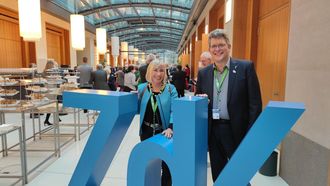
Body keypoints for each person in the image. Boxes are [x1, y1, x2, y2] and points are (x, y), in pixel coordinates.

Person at [195, 29, 262, 182]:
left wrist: (250, 134)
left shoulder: (245, 68)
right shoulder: (204, 73)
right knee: (218, 174)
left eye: (221, 45)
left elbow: (255, 105)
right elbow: (198, 101)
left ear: (229, 46)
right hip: (213, 131)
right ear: (210, 50)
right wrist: (201, 100)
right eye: (213, 46)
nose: (217, 49)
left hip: (236, 130)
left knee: (240, 174)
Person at [138, 60, 178, 186]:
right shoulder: (142, 88)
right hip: (146, 132)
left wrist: (171, 127)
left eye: (161, 70)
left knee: (167, 167)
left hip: (165, 133)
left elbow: (175, 110)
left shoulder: (171, 89)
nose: (158, 74)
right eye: (155, 70)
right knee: (149, 166)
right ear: (150, 71)